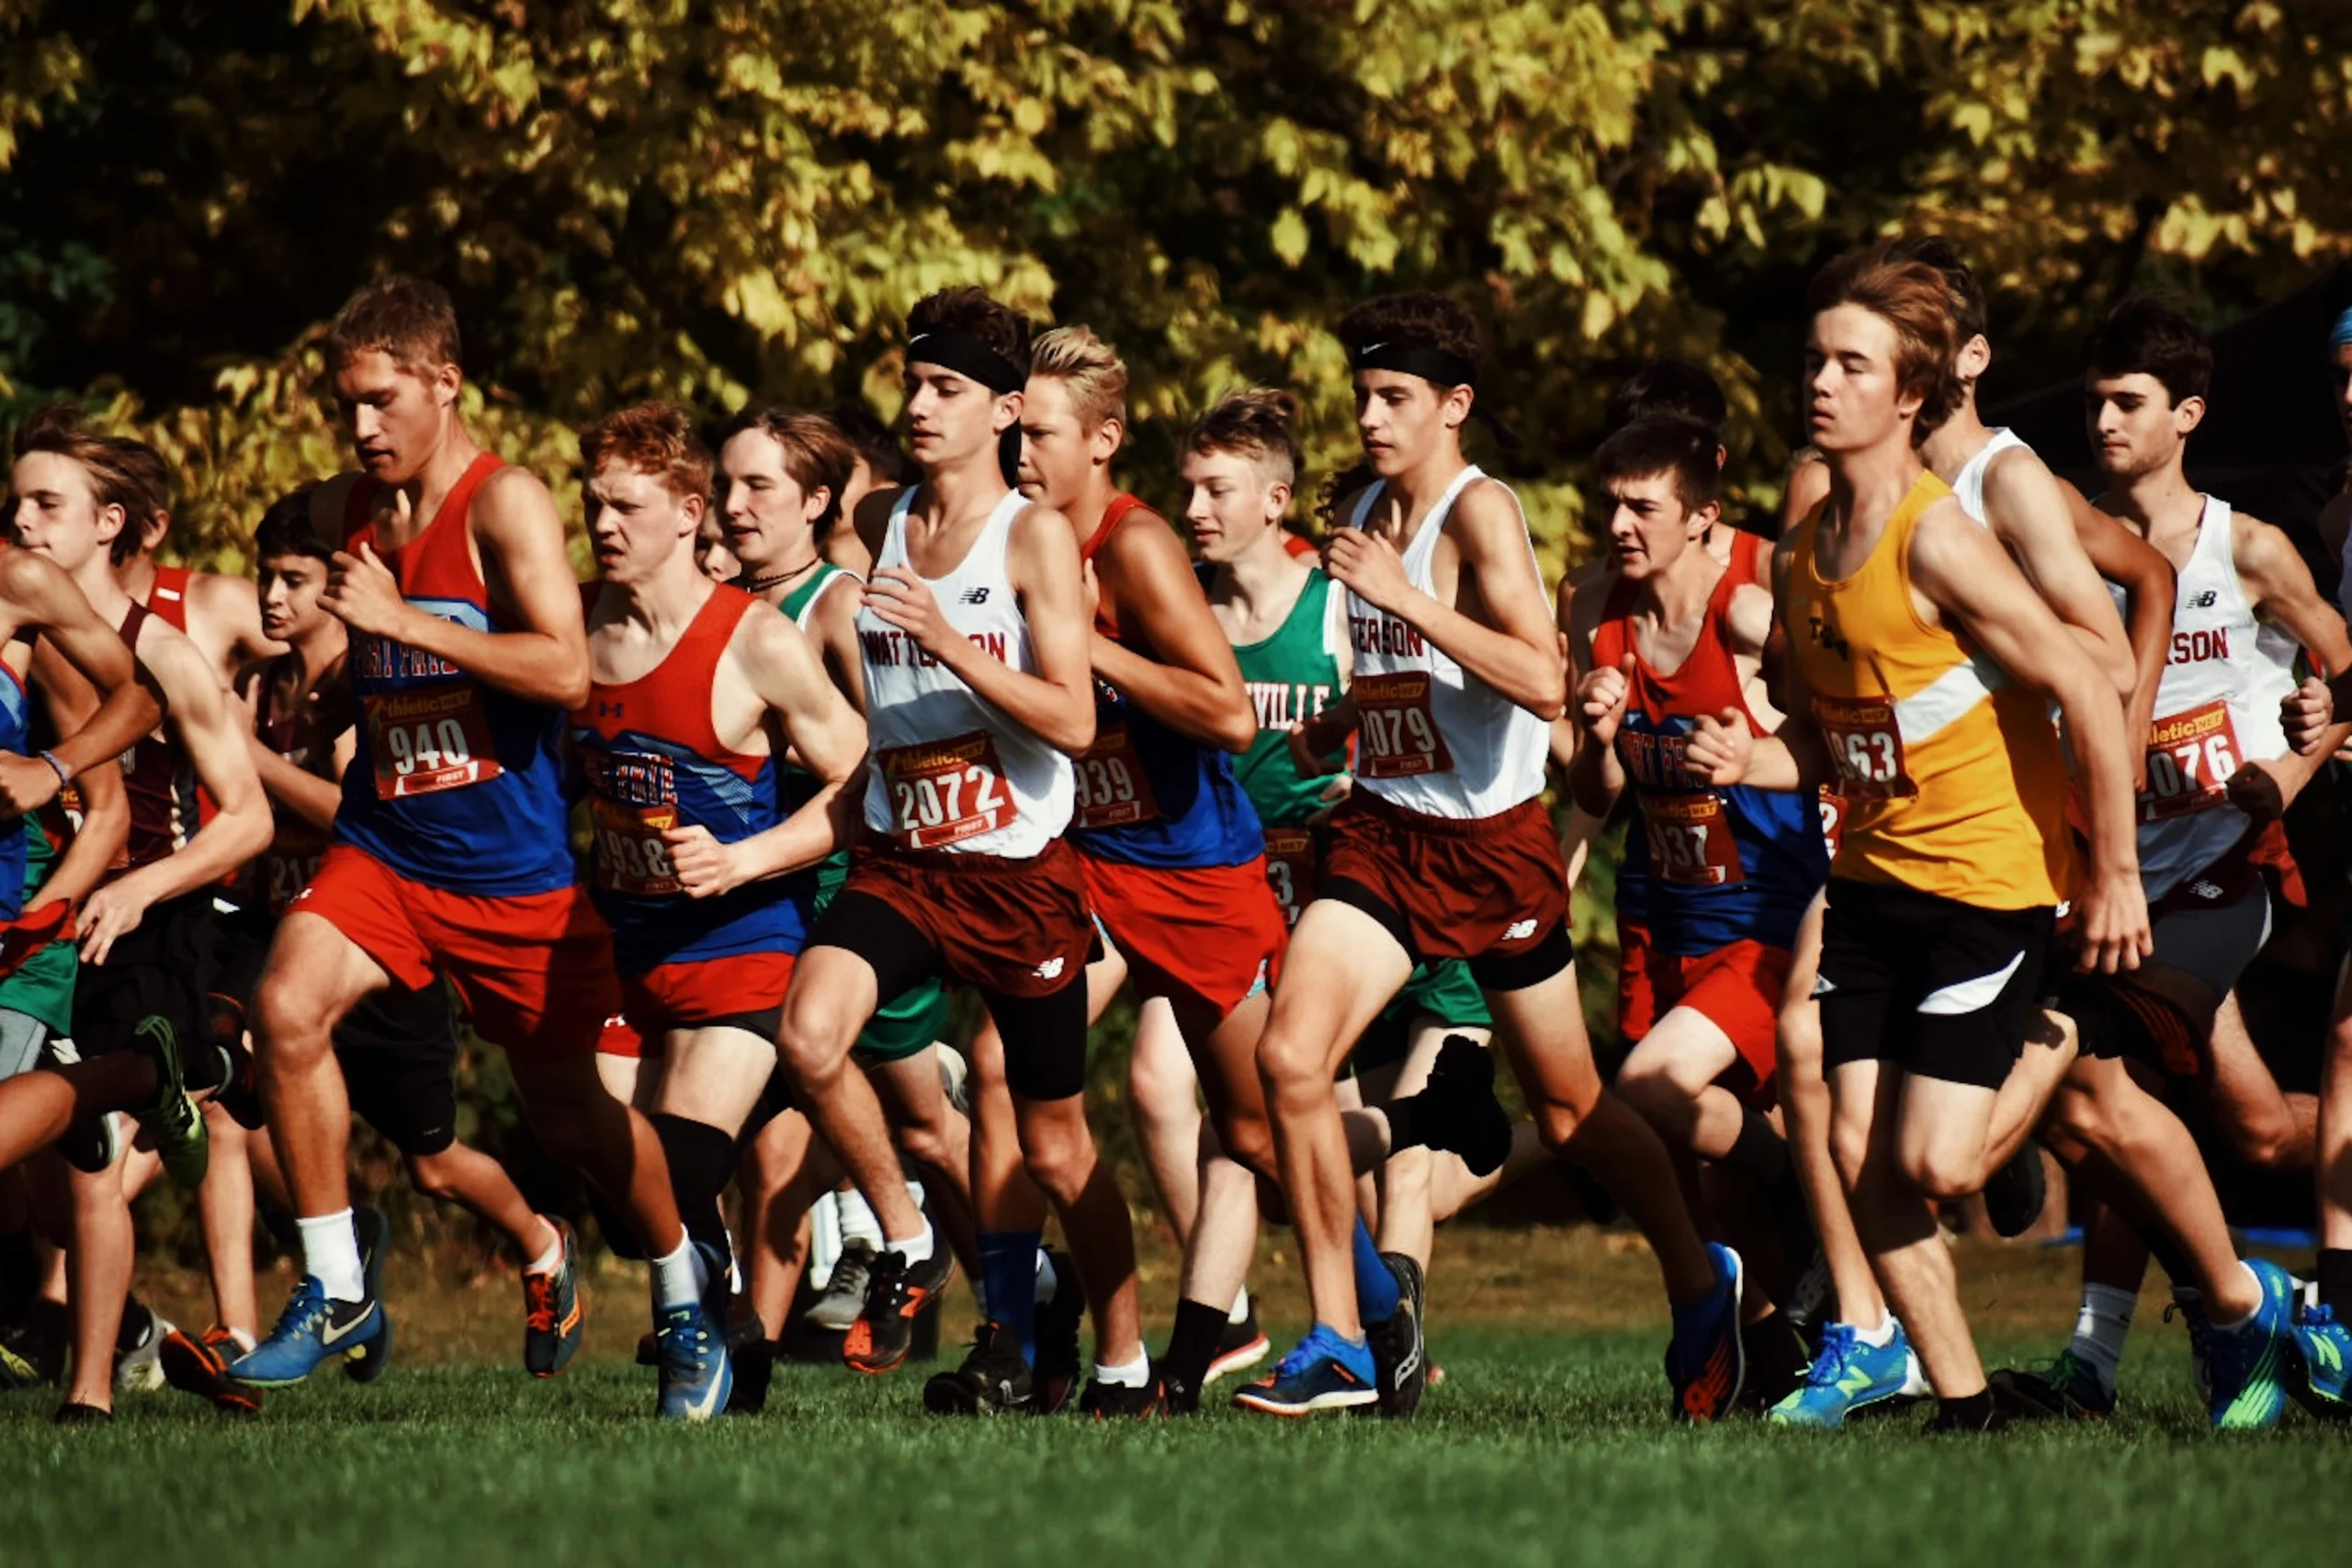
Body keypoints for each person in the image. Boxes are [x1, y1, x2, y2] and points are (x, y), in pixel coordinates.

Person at [1686, 243, 2182, 1433]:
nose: (1821, 382)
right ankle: (1967, 1403)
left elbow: (2086, 668)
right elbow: (1820, 738)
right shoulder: (1802, 556)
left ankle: (2066, 1021)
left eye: (1851, 364)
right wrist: (1740, 757)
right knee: (1864, 1157)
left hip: (1984, 885)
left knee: (1941, 1167)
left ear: (1907, 392)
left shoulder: (1938, 535)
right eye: (1814, 360)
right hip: (1869, 889)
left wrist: (2113, 872)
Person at [1243, 291, 1745, 1420]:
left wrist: (1404, 600)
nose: (1370, 418)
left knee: (1570, 1114)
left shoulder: (1479, 515)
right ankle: (1345, 1334)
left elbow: (1538, 679)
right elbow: (1398, 672)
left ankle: (1696, 1279)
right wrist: (1336, 725)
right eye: (1363, 396)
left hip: (1492, 849)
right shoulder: (1367, 506)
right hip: (1379, 833)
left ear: (1453, 406)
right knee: (1290, 1061)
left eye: (1395, 399)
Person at [230, 276, 722, 1421]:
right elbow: (384, 659)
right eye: (346, 405)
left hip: (512, 877)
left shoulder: (506, 507)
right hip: (389, 847)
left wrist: (398, 624)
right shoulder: (354, 509)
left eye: (382, 400)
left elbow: (565, 670)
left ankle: (685, 1301)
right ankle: (337, 1283)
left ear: (445, 384)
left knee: (574, 1122)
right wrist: (348, 675)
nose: (362, 428)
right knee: (285, 1008)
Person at [767, 287, 1148, 1409]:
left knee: (1056, 1150)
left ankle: (1118, 1357)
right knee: (809, 1033)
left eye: (947, 389)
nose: (920, 405)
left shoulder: (1031, 536)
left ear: (1003, 411)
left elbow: (1075, 724)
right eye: (915, 383)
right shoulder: (882, 519)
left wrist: (949, 643)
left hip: (1018, 877)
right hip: (900, 860)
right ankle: (909, 1238)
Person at [1993, 299, 2352, 1422]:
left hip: (2220, 872)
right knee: (2235, 1128)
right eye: (2093, 399)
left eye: (2127, 402)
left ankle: (2162, 1338)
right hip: (2108, 876)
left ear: (2185, 416)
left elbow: (2343, 680)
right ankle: (2176, 1337)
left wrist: (2286, 766)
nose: (2101, 419)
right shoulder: (2063, 545)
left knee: (2096, 1058)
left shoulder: (2249, 549)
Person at [921, 325, 1280, 1418]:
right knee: (1000, 1065)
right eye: (1012, 430)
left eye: (1036, 434)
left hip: (1193, 868)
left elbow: (1224, 713)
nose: (1018, 452)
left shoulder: (1133, 547)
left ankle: (1369, 1308)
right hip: (1080, 865)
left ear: (1103, 441)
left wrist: (1084, 642)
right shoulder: (1005, 540)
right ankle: (1010, 1336)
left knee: (1259, 1124)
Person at [162, 487, 577, 1415]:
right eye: (267, 577)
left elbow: (346, 811)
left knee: (434, 1158)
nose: (274, 597)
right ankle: (293, 1291)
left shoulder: (373, 677)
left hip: (393, 931)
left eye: (297, 579)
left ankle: (541, 1243)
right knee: (230, 1090)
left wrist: (250, 768)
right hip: (295, 928)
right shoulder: (271, 686)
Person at [572, 401, 867, 1417]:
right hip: (620, 946)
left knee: (680, 1168)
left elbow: (862, 781)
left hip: (739, 944)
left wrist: (746, 858)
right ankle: (733, 1319)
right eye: (593, 504)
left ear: (686, 512)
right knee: (612, 1190)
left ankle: (704, 1344)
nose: (603, 524)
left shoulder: (755, 640)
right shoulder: (574, 626)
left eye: (626, 507)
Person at [0, 406, 273, 1424]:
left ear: (109, 524)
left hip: (149, 914)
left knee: (91, 1152)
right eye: (16, 502)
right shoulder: (18, 626)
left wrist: (133, 885)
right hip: (46, 897)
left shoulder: (161, 647)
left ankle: (90, 1397)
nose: (25, 522)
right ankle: (123, 1339)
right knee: (52, 1166)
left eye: (48, 505)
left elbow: (246, 820)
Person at [711, 406, 983, 1399]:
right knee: (768, 1154)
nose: (734, 509)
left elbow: (887, 756)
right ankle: (740, 1371)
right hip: (764, 891)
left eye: (758, 490)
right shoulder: (723, 605)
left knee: (920, 1130)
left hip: (850, 883)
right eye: (725, 488)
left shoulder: (838, 604)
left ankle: (1009, 1280)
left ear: (817, 501)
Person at [1565, 412, 1830, 1409]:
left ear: (1702, 520)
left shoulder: (1751, 617)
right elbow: (1596, 799)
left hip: (1762, 918)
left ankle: (1813, 1186)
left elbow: (1833, 745)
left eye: (1644, 508)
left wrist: (1753, 753)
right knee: (1702, 1183)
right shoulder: (1600, 622)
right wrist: (1594, 734)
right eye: (1613, 506)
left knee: (1650, 1086)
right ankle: (1788, 1361)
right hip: (1662, 920)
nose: (1622, 526)